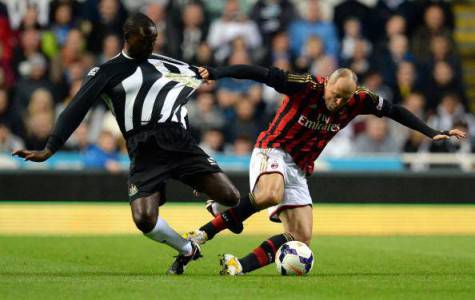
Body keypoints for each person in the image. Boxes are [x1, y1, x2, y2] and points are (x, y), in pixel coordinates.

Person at [12, 13, 240, 275]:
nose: (151, 45)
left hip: (177, 143)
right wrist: (50, 147)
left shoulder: (165, 63)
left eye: (154, 39)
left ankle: (211, 209)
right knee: (144, 219)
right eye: (146, 39)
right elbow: (76, 108)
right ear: (128, 37)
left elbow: (180, 98)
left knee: (231, 197)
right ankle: (187, 250)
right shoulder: (106, 71)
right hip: (143, 151)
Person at [186, 64, 466, 275]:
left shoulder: (360, 99)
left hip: (298, 166)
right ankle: (204, 233)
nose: (339, 102)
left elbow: (394, 110)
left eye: (345, 97)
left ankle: (238, 266)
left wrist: (431, 132)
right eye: (335, 95)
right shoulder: (305, 85)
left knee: (302, 238)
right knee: (271, 194)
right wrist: (217, 72)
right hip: (273, 148)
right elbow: (261, 74)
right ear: (327, 84)